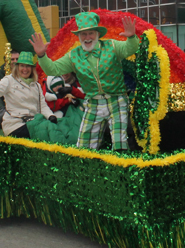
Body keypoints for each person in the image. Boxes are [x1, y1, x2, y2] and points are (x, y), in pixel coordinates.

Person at [30, 12, 139, 152]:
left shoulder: (112, 46)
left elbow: (131, 48)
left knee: (120, 144)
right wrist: (41, 55)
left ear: (97, 34)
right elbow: (53, 69)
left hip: (116, 100)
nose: (87, 38)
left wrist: (131, 37)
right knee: (83, 147)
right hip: (93, 102)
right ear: (79, 37)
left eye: (91, 33)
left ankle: (121, 171)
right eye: (83, 34)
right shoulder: (73, 56)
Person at [0, 51, 56, 138]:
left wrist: (51, 116)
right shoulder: (9, 80)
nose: (25, 69)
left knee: (55, 127)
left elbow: (43, 106)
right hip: (15, 125)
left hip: (34, 122)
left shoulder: (36, 85)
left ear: (31, 68)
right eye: (22, 66)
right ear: (17, 67)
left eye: (28, 66)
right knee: (45, 132)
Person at [0, 50, 19, 126]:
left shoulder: (25, 73)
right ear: (6, 61)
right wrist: (1, 109)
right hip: (5, 106)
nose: (15, 61)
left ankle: (3, 122)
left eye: (17, 59)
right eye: (12, 59)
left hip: (20, 105)